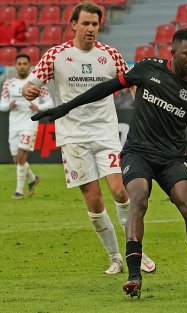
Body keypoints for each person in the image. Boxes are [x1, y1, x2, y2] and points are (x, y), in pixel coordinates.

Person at [32, 28, 187, 299]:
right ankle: (134, 276)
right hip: (137, 153)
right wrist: (66, 107)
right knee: (137, 199)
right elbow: (106, 88)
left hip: (172, 160)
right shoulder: (147, 68)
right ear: (173, 53)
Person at [21, 1, 155, 275]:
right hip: (73, 137)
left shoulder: (110, 55)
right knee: (94, 201)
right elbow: (30, 84)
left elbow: (131, 84)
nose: (91, 28)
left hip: (106, 133)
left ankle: (134, 251)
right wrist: (29, 92)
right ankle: (115, 257)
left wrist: (143, 112)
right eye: (86, 23)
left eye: (95, 24)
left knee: (120, 190)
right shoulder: (56, 55)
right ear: (74, 25)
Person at [0, 53, 52, 199]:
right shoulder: (8, 84)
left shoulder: (36, 82)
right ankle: (33, 179)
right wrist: (9, 105)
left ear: (29, 65)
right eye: (19, 64)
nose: (22, 66)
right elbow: (1, 105)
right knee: (17, 159)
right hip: (14, 125)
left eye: (25, 64)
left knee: (22, 153)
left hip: (29, 122)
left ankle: (19, 191)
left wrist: (38, 107)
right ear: (15, 66)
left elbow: (50, 102)